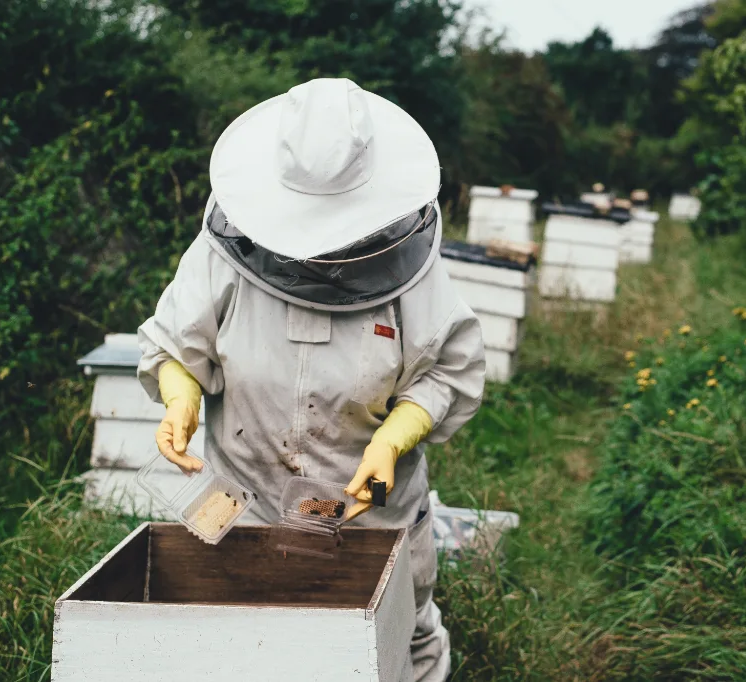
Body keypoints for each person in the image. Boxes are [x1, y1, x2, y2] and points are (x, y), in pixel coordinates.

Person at [136, 77, 486, 682]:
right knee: (253, 648)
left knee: (399, 640)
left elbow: (446, 372)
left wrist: (393, 439)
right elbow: (179, 343)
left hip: (369, 512)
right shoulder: (223, 252)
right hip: (242, 504)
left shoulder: (414, 273)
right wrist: (180, 397)